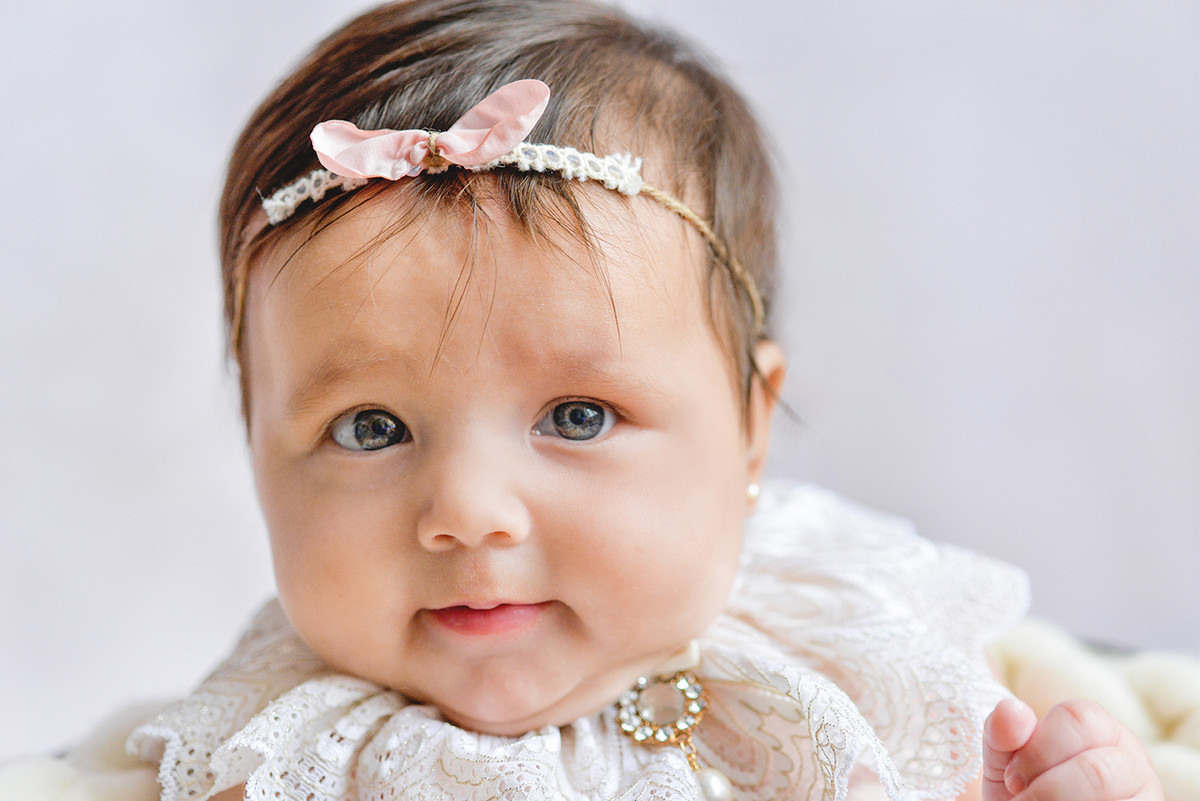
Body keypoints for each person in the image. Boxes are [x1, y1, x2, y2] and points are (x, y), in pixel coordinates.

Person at [19, 0, 1166, 799]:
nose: (468, 512)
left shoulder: (870, 642)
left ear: (752, 424)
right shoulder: (274, 753)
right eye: (372, 427)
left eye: (576, 416)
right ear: (259, 451)